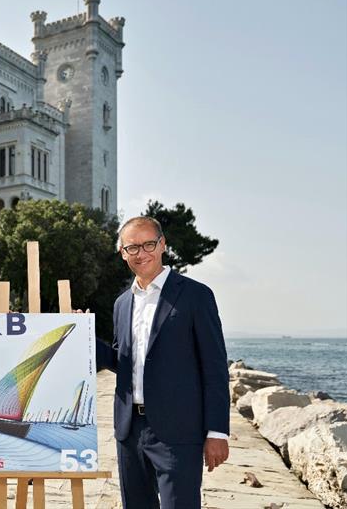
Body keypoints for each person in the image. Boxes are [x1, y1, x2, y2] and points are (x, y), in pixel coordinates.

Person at [95, 216, 229, 509]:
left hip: (179, 432)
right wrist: (84, 338)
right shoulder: (121, 304)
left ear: (162, 245)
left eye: (148, 244)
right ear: (122, 253)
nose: (141, 253)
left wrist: (217, 432)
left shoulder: (196, 296)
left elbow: (215, 368)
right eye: (132, 247)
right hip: (129, 430)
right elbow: (122, 362)